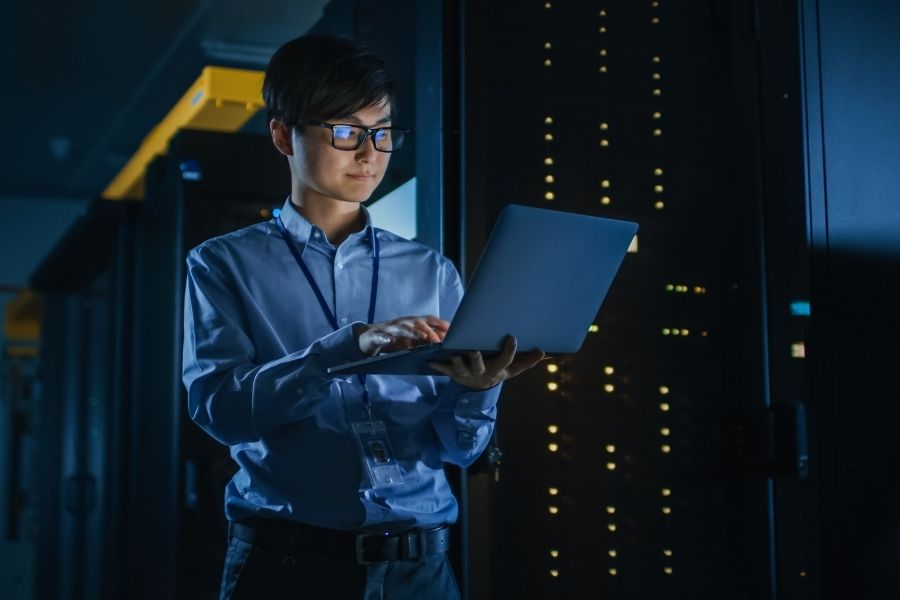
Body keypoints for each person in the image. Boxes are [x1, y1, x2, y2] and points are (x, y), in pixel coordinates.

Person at [182, 33, 543, 600]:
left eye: (382, 132)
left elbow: (458, 449)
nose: (369, 153)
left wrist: (480, 389)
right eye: (346, 131)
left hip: (421, 569)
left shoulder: (430, 270)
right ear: (283, 135)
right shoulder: (223, 263)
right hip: (289, 566)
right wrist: (344, 350)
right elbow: (220, 412)